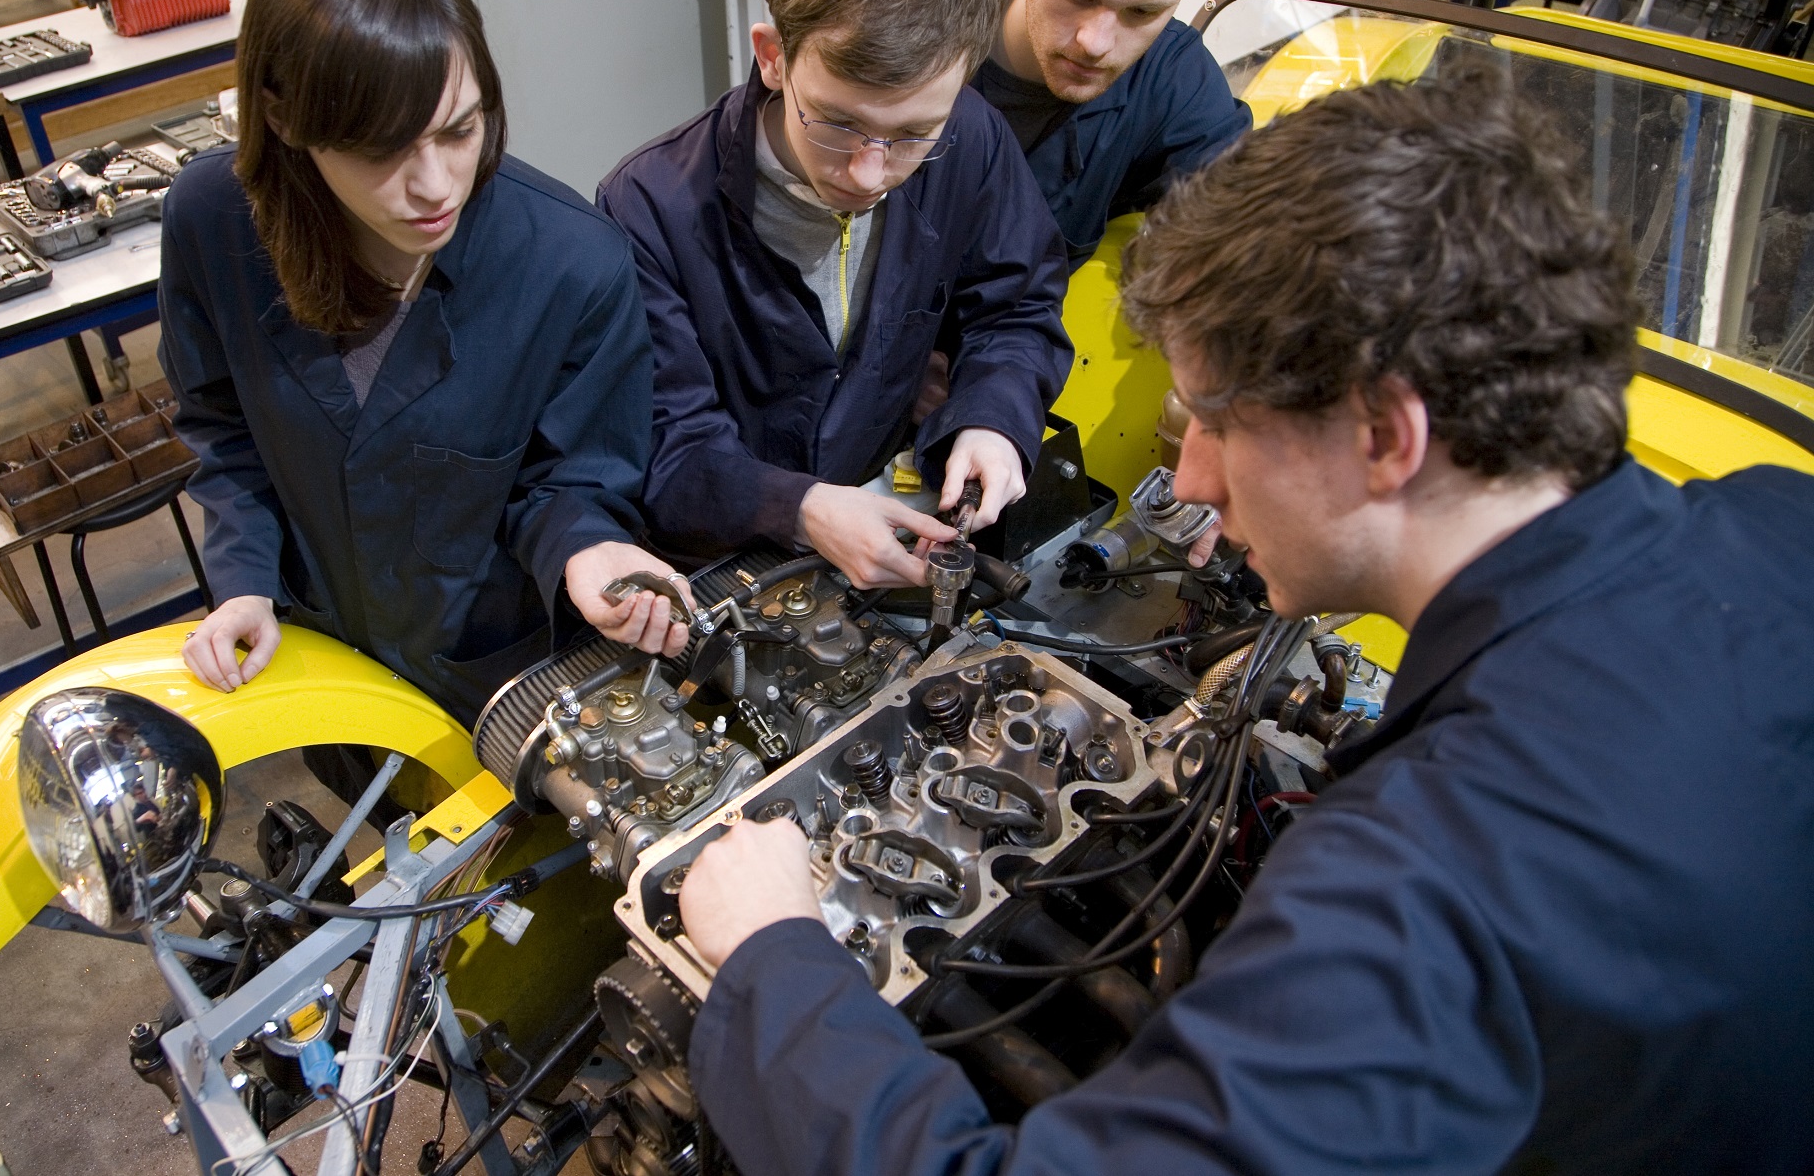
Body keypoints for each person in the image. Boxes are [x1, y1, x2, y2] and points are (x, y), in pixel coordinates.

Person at [672, 72, 1814, 1174]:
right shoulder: (1777, 517)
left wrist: (776, 957)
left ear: (1383, 435)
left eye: (1214, 419)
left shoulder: (1421, 890)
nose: (1196, 477)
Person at [159, 0, 691, 760]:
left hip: (495, 682)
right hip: (326, 657)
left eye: (460, 128)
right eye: (383, 149)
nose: (436, 186)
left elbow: (573, 476)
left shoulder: (571, 263)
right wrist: (246, 579)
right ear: (286, 118)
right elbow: (223, 428)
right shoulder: (213, 221)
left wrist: (587, 548)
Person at [598, 0, 1073, 589]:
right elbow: (668, 443)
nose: (868, 172)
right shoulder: (650, 207)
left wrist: (995, 419)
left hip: (876, 512)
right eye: (838, 121)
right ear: (772, 55)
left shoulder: (972, 139)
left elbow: (1016, 307)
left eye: (914, 135)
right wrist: (804, 508)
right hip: (719, 560)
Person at [977, 0, 1249, 273]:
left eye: (1142, 12)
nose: (1095, 43)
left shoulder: (1173, 81)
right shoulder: (925, 38)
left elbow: (1244, 231)